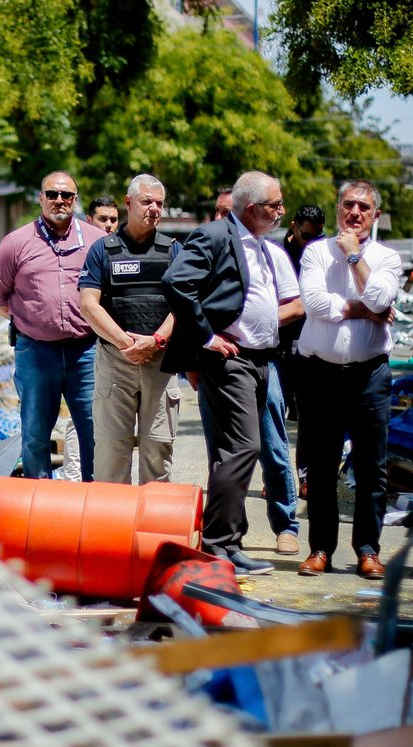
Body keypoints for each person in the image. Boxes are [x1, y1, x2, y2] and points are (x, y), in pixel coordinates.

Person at [162, 172, 302, 574]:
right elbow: (176, 282)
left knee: (231, 452)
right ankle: (217, 543)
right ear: (254, 208)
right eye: (276, 205)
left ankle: (228, 543)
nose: (281, 211)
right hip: (229, 360)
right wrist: (205, 337)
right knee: (245, 448)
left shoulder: (260, 244)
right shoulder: (215, 235)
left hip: (261, 359)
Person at [294, 180, 401, 580]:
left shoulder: (386, 258)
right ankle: (320, 548)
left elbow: (379, 300)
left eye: (364, 207)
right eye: (348, 205)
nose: (354, 213)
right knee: (321, 466)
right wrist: (363, 310)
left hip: (369, 374)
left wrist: (355, 256)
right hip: (320, 373)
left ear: (375, 214)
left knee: (372, 466)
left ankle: (368, 550)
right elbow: (314, 304)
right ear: (338, 208)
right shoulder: (315, 252)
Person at [0, 172, 109, 480]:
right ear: (41, 198)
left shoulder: (96, 241)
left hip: (86, 351)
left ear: (75, 201)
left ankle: (95, 500)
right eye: (52, 194)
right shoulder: (17, 242)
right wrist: (29, 318)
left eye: (66, 195)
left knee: (95, 429)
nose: (59, 201)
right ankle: (39, 499)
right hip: (37, 352)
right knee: (36, 431)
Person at [78, 174, 179, 484]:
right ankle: (111, 529)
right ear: (128, 203)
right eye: (146, 201)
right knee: (111, 452)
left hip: (160, 363)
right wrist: (126, 343)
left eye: (159, 203)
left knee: (157, 452)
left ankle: (150, 528)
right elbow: (88, 304)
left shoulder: (173, 250)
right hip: (115, 363)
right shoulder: (102, 250)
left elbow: (185, 305)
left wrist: (156, 339)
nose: (154, 209)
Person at [278, 204, 326, 496]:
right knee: (275, 411)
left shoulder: (323, 251)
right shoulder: (276, 254)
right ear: (294, 227)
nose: (313, 243)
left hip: (313, 343)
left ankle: (306, 475)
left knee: (310, 415)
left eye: (318, 237)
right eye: (307, 236)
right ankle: (278, 477)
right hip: (280, 343)